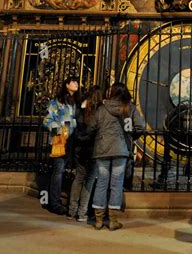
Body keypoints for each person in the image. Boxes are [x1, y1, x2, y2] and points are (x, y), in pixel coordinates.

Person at [86, 82, 143, 231]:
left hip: (102, 149)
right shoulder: (129, 108)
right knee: (116, 184)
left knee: (102, 182)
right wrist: (132, 137)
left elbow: (91, 127)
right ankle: (113, 220)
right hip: (121, 149)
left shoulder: (102, 108)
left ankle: (98, 219)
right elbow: (140, 126)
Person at [43, 76, 80, 215]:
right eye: (73, 81)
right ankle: (54, 203)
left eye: (77, 82)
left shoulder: (76, 102)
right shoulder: (57, 101)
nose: (76, 84)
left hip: (72, 140)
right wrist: (59, 130)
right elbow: (47, 120)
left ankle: (51, 199)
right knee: (58, 171)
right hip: (59, 139)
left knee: (61, 170)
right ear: (66, 84)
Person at [67, 85, 103, 222]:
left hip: (79, 148)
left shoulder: (79, 108)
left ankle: (71, 210)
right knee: (89, 180)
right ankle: (82, 212)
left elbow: (75, 126)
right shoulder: (99, 111)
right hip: (93, 149)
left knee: (78, 178)